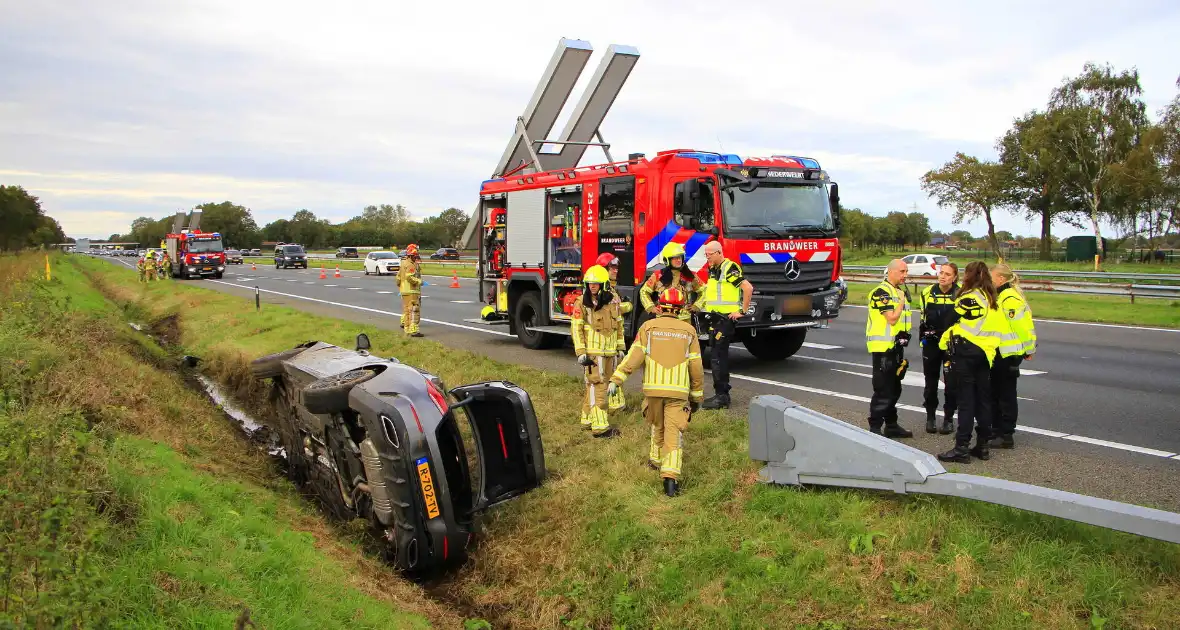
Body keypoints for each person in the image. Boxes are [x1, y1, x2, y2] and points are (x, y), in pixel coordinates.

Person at [608, 287, 704, 497]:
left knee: (657, 425)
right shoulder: (689, 332)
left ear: (660, 306)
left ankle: (655, 461)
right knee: (674, 434)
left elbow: (634, 357)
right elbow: (696, 367)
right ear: (680, 309)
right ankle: (670, 480)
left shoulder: (648, 328)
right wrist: (697, 395)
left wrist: (617, 379)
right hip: (678, 393)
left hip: (653, 390)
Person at [936, 261, 1010, 463]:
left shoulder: (969, 297)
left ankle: (961, 448)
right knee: (983, 401)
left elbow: (948, 319)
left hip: (966, 352)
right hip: (986, 354)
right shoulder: (992, 299)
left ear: (969, 276)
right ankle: (983, 446)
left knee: (966, 402)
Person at [697, 241, 752, 409]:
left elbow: (748, 288)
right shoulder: (713, 270)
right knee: (716, 355)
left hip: (724, 320)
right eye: (705, 255)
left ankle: (722, 396)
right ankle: (720, 394)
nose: (707, 258)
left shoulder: (729, 268)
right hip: (715, 319)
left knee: (718, 357)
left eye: (709, 254)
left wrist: (742, 311)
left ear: (719, 252)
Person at [572, 264, 625, 438]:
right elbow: (576, 328)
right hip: (593, 354)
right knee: (599, 387)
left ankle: (587, 418)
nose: (591, 286)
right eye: (589, 283)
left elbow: (619, 324)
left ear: (603, 284)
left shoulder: (614, 299)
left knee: (594, 387)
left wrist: (620, 347)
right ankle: (600, 427)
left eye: (595, 283)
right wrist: (581, 353)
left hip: (610, 353)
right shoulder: (582, 303)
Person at [988, 263, 1038, 449]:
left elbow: (1023, 327)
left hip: (1008, 354)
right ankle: (996, 430)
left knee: (1005, 395)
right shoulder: (1000, 296)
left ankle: (1006, 434)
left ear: (1000, 279)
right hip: (998, 353)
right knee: (994, 394)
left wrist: (1029, 349)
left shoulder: (1010, 299)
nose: (989, 281)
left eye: (991, 277)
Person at [864, 259, 914, 438]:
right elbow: (892, 318)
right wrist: (900, 302)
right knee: (883, 389)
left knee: (894, 387)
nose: (905, 275)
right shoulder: (881, 292)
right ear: (891, 271)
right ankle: (875, 429)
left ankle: (891, 425)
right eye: (902, 271)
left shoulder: (898, 291)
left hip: (896, 347)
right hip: (883, 347)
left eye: (906, 271)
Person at [918, 262, 960, 434]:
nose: (943, 276)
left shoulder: (961, 293)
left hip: (952, 346)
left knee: (951, 384)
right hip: (932, 344)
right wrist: (924, 339)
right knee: (930, 382)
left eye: (947, 274)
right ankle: (930, 417)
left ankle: (948, 418)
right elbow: (922, 318)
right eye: (941, 273)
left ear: (955, 277)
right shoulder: (927, 293)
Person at [640, 242, 704, 323]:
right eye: (675, 258)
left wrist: (697, 306)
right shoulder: (658, 276)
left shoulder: (690, 276)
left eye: (680, 257)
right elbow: (644, 291)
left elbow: (704, 291)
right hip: (662, 319)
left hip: (684, 320)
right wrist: (651, 307)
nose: (679, 260)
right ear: (667, 260)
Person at [397, 244, 423, 337]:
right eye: (415, 256)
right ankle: (414, 330)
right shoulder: (410, 265)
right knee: (414, 310)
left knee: (407, 310)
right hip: (412, 291)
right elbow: (410, 277)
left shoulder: (403, 263)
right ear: (412, 255)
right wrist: (419, 281)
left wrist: (400, 287)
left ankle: (407, 329)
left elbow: (398, 278)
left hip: (404, 291)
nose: (416, 257)